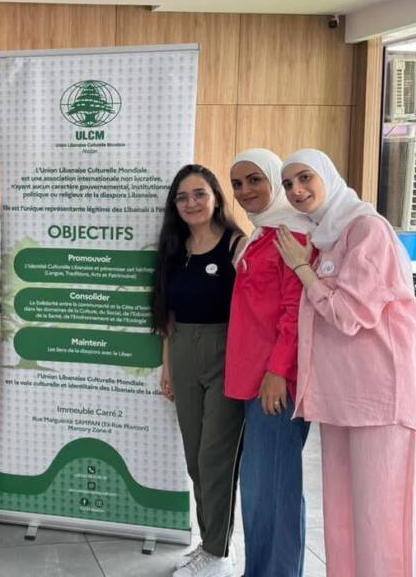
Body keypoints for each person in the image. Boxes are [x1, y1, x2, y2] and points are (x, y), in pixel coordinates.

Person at [275, 149, 416, 577]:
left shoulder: (367, 230)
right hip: (342, 398)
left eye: (305, 177)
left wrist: (302, 270)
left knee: (382, 522)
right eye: (288, 184)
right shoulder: (325, 235)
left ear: (328, 176)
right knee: (342, 519)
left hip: (382, 399)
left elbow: (348, 314)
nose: (296, 190)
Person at [151, 164, 245, 577]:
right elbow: (167, 315)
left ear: (216, 197)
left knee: (215, 460)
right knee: (194, 459)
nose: (191, 203)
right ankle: (210, 543)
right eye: (182, 197)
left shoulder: (237, 245)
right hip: (183, 354)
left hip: (228, 355)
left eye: (199, 194)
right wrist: (168, 367)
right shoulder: (175, 248)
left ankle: (218, 553)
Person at [225, 149, 314, 577]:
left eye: (255, 180)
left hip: (278, 382)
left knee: (275, 489)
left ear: (275, 181)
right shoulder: (262, 233)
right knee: (260, 488)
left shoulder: (293, 234)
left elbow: (296, 310)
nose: (245, 191)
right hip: (254, 379)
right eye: (237, 184)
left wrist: (278, 370)